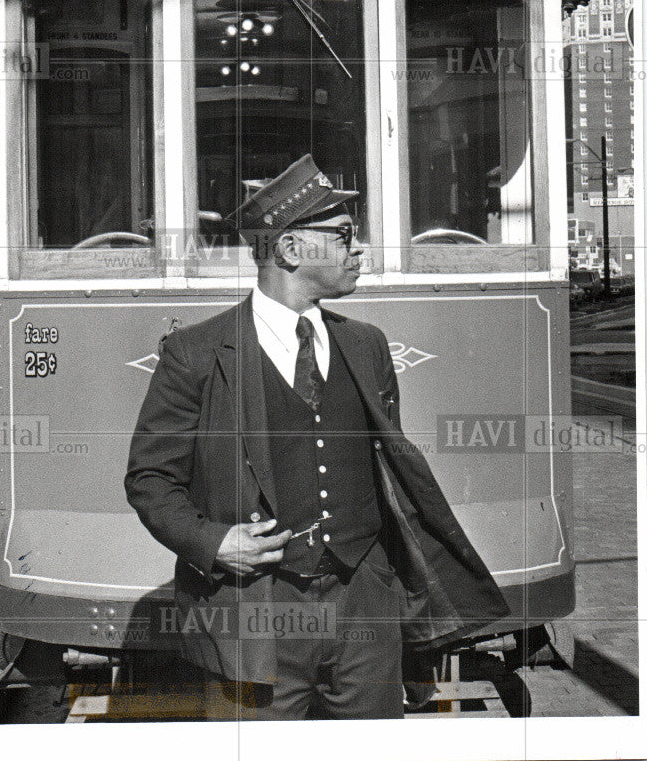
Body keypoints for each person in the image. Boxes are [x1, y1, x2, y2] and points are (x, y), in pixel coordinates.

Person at [125, 154, 508, 720]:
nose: (360, 251)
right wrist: (212, 542)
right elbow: (151, 480)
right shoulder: (198, 355)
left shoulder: (368, 346)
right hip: (256, 612)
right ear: (290, 249)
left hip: (364, 611)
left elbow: (385, 476)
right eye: (344, 236)